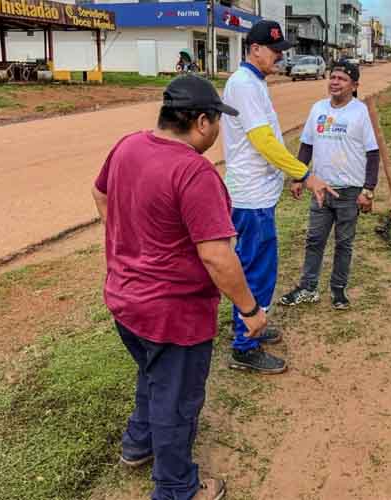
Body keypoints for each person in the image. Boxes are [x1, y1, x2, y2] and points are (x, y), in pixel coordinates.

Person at [92, 75, 267, 500]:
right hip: (174, 315)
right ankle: (175, 488)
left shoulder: (128, 146)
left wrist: (132, 242)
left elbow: (100, 194)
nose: (219, 129)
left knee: (153, 374)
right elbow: (217, 256)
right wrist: (249, 310)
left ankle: (138, 444)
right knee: (177, 402)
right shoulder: (195, 172)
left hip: (125, 301)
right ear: (202, 122)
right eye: (218, 121)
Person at [221, 20, 335, 374]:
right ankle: (245, 345)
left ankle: (250, 325)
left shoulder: (254, 82)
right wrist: (304, 173)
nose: (280, 57)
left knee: (258, 265)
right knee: (256, 268)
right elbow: (264, 142)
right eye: (274, 51)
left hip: (258, 193)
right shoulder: (244, 84)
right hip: (250, 196)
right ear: (254, 49)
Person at [279, 60, 380, 310]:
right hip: (321, 189)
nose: (335, 82)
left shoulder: (360, 112)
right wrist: (298, 177)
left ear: (354, 85)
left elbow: (373, 153)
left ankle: (338, 290)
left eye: (342, 79)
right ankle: (308, 288)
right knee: (314, 240)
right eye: (332, 77)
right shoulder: (318, 109)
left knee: (344, 243)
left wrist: (368, 190)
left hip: (350, 191)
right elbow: (307, 145)